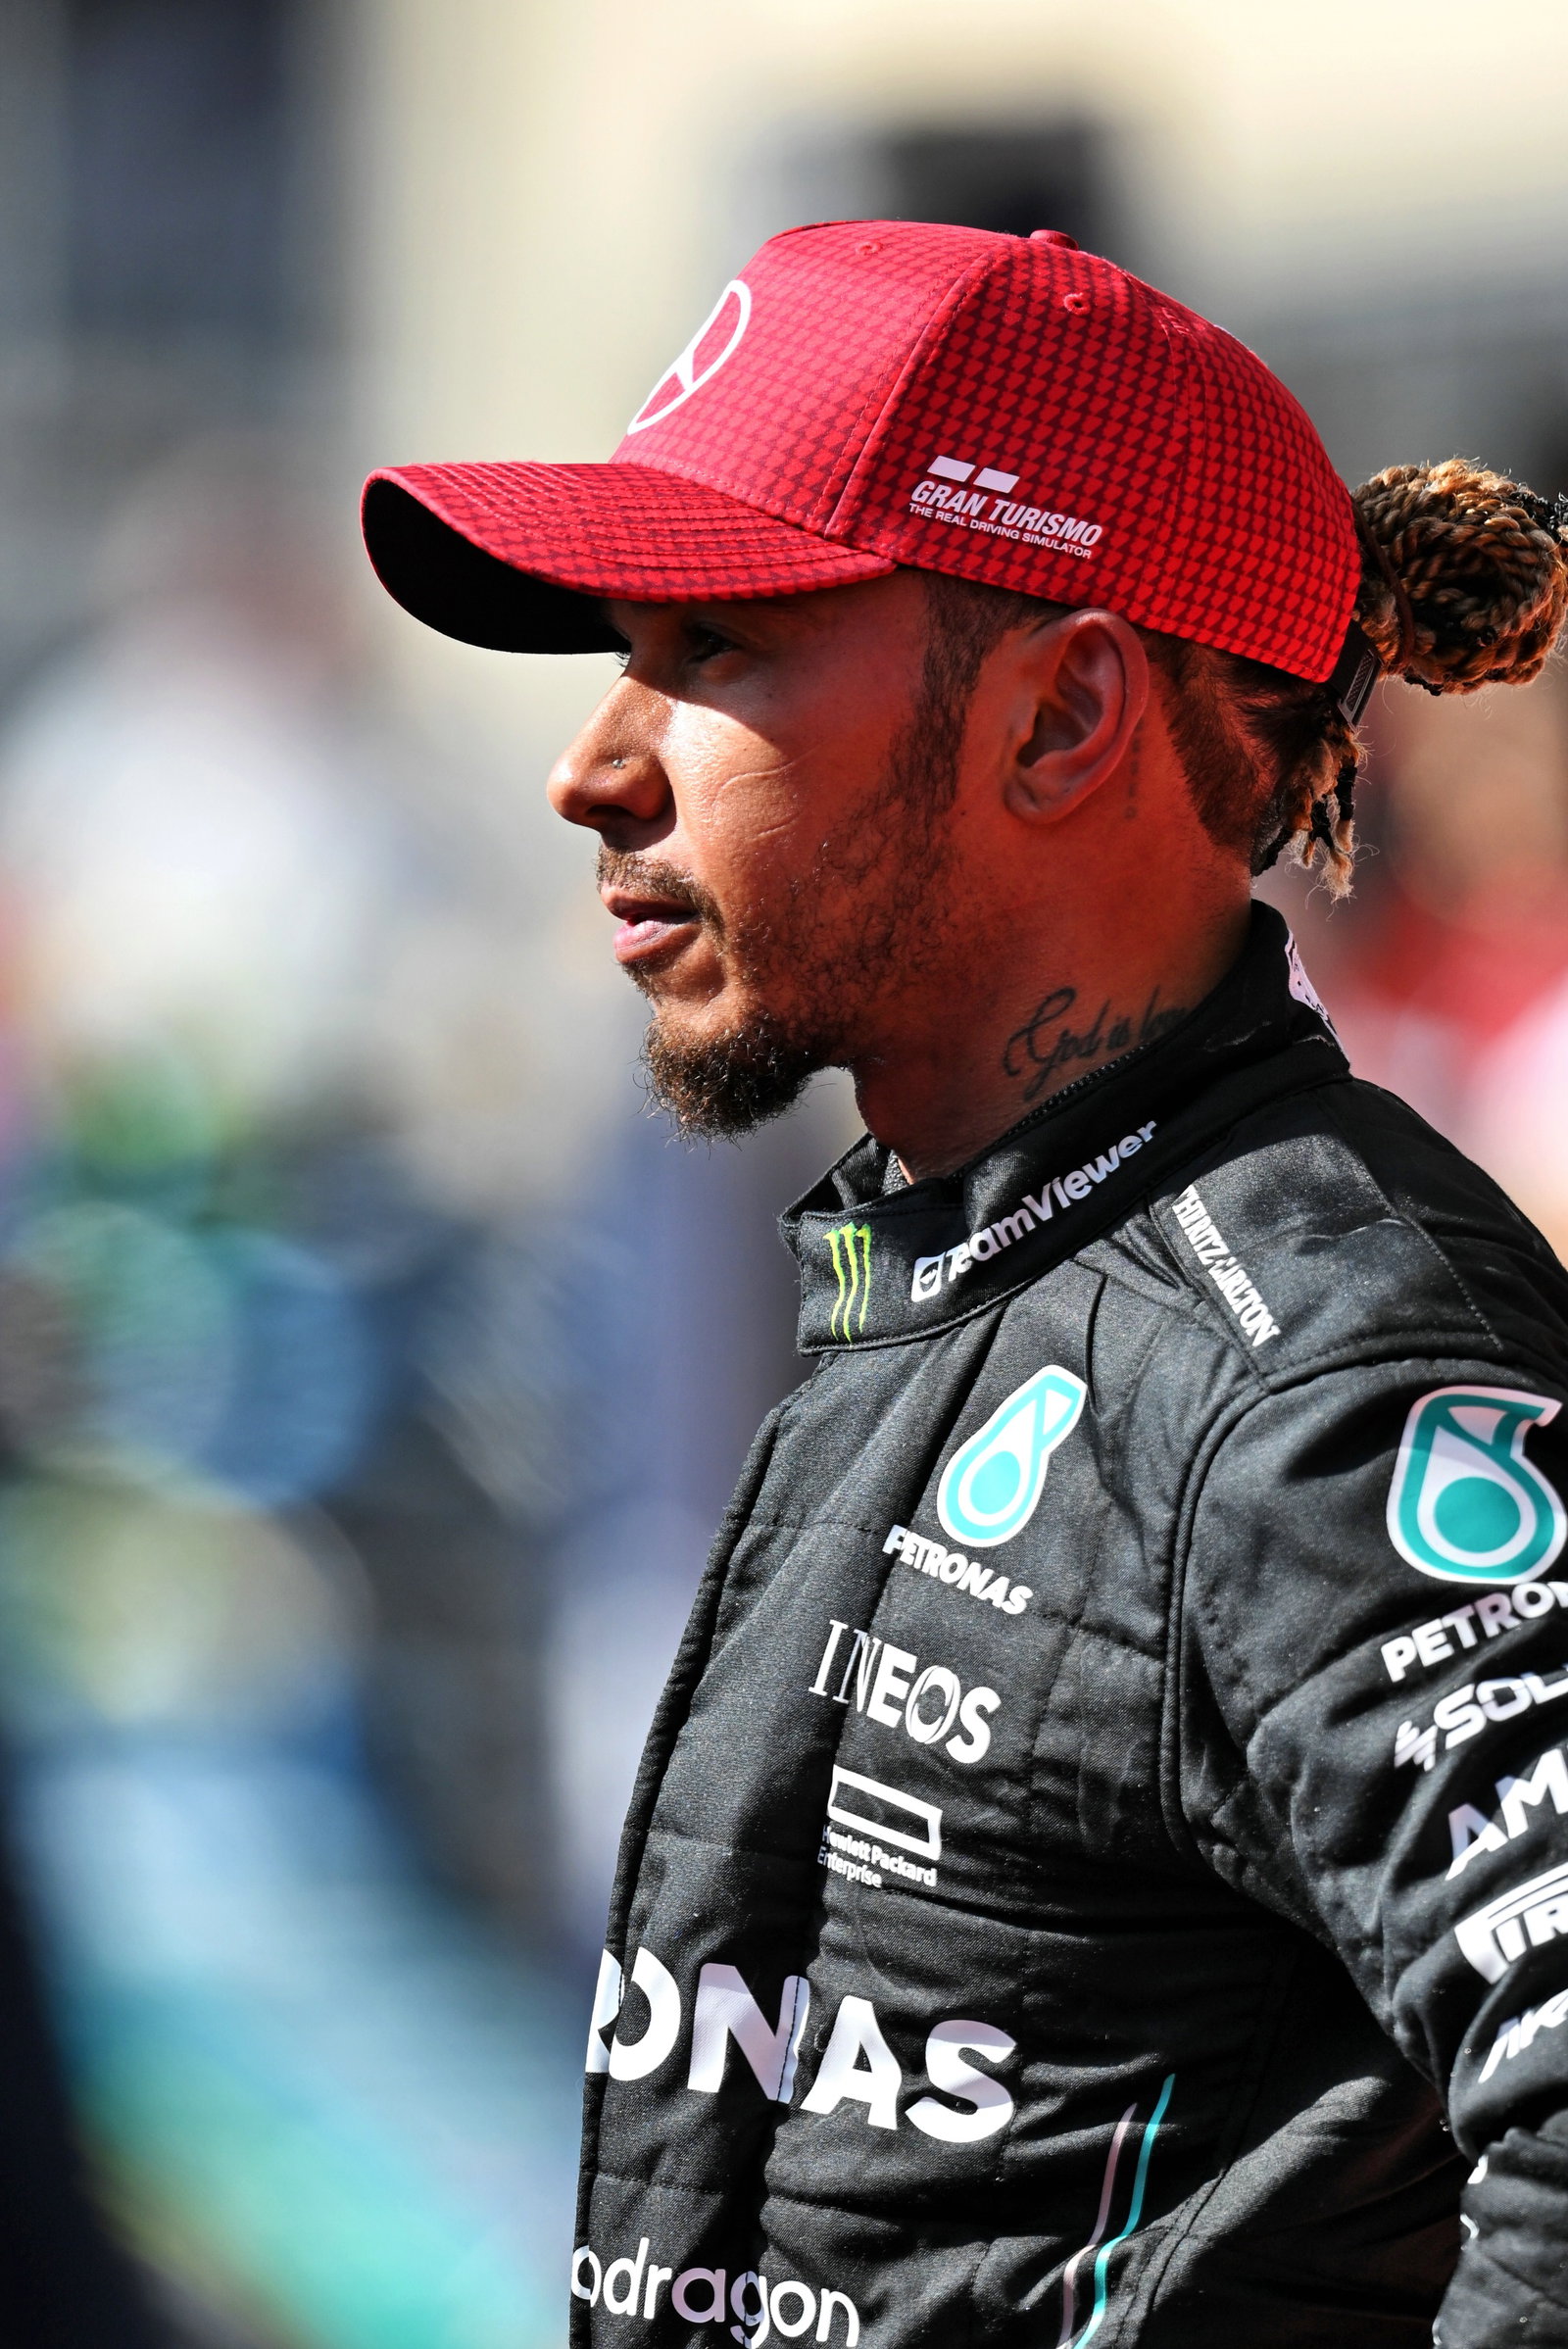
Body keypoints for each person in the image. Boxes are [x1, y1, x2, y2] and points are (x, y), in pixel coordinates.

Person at [362, 221, 1568, 2347]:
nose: (593, 760)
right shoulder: (956, 1250)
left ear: (1063, 711)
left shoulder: (1319, 1370)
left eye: (713, 647)